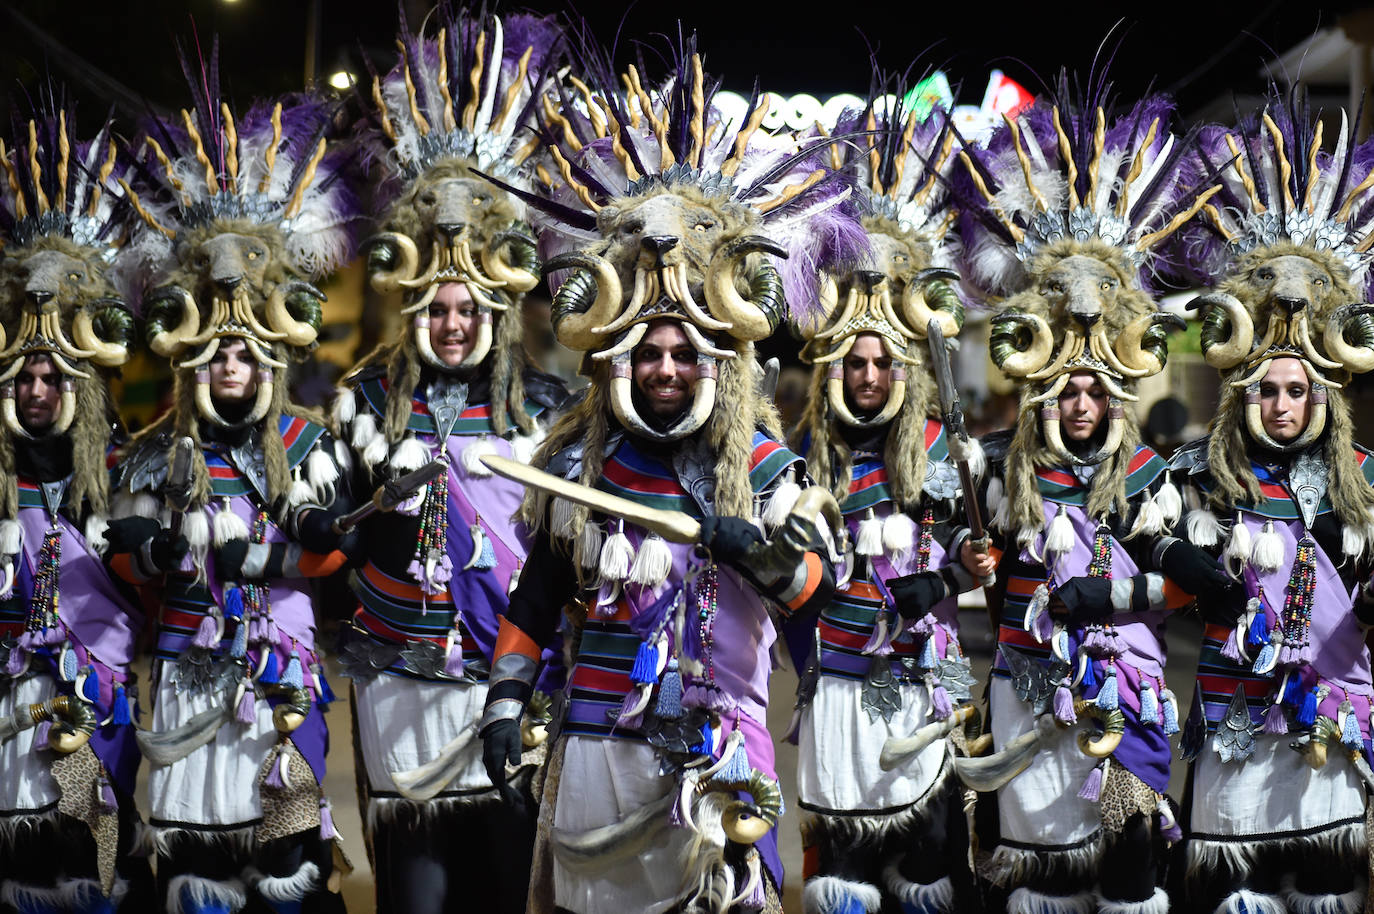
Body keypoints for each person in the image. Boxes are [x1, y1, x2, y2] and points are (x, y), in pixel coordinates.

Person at [476, 40, 856, 913]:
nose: (666, 367)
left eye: (686, 351)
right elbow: (534, 602)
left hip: (714, 759)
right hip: (590, 756)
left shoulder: (762, 467)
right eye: (648, 350)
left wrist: (759, 557)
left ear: (719, 362)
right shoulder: (576, 464)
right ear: (616, 358)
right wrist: (504, 706)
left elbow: (816, 594)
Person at [959, 90, 1233, 914]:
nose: (1081, 404)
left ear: (1116, 395)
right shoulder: (999, 471)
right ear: (1042, 390)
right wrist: (966, 561)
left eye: (1095, 390)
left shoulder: (1145, 477)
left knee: (1128, 869)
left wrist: (1111, 597)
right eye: (1066, 390)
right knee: (1040, 878)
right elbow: (961, 568)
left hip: (1127, 697)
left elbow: (1192, 590)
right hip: (1025, 695)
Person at [329, 12, 568, 913]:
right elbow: (334, 550)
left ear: (498, 310)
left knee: (503, 893)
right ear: (412, 306)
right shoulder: (359, 401)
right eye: (439, 307)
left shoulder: (545, 408)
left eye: (470, 309)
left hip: (509, 687)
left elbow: (561, 559)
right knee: (418, 899)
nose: (455, 322)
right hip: (403, 692)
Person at [109, 83, 360, 914]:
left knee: (286, 860)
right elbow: (120, 554)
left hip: (280, 687)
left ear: (270, 364)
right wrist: (155, 557)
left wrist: (260, 557)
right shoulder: (150, 453)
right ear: (190, 359)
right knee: (195, 865)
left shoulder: (305, 443)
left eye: (247, 356)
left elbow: (331, 558)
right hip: (184, 679)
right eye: (216, 354)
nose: (231, 368)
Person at [786, 96, 992, 914]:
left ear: (905, 370)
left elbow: (979, 563)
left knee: (930, 872)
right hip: (837, 685)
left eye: (882, 363)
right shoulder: (805, 464)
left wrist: (953, 578)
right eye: (855, 363)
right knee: (846, 873)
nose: (869, 376)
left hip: (925, 688)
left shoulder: (952, 455)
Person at [1170, 101, 1374, 914]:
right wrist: (1185, 567)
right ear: (1241, 389)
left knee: (1325, 894)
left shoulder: (1364, 477)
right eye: (1267, 388)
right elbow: (1145, 552)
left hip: (1330, 729)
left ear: (1323, 392)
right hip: (1234, 727)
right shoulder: (1197, 475)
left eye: (1298, 389)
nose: (1283, 403)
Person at [0, 111, 155, 912]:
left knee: (101, 874)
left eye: (53, 377)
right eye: (22, 377)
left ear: (83, 383)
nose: (35, 391)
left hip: (100, 716)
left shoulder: (125, 473)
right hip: (8, 716)